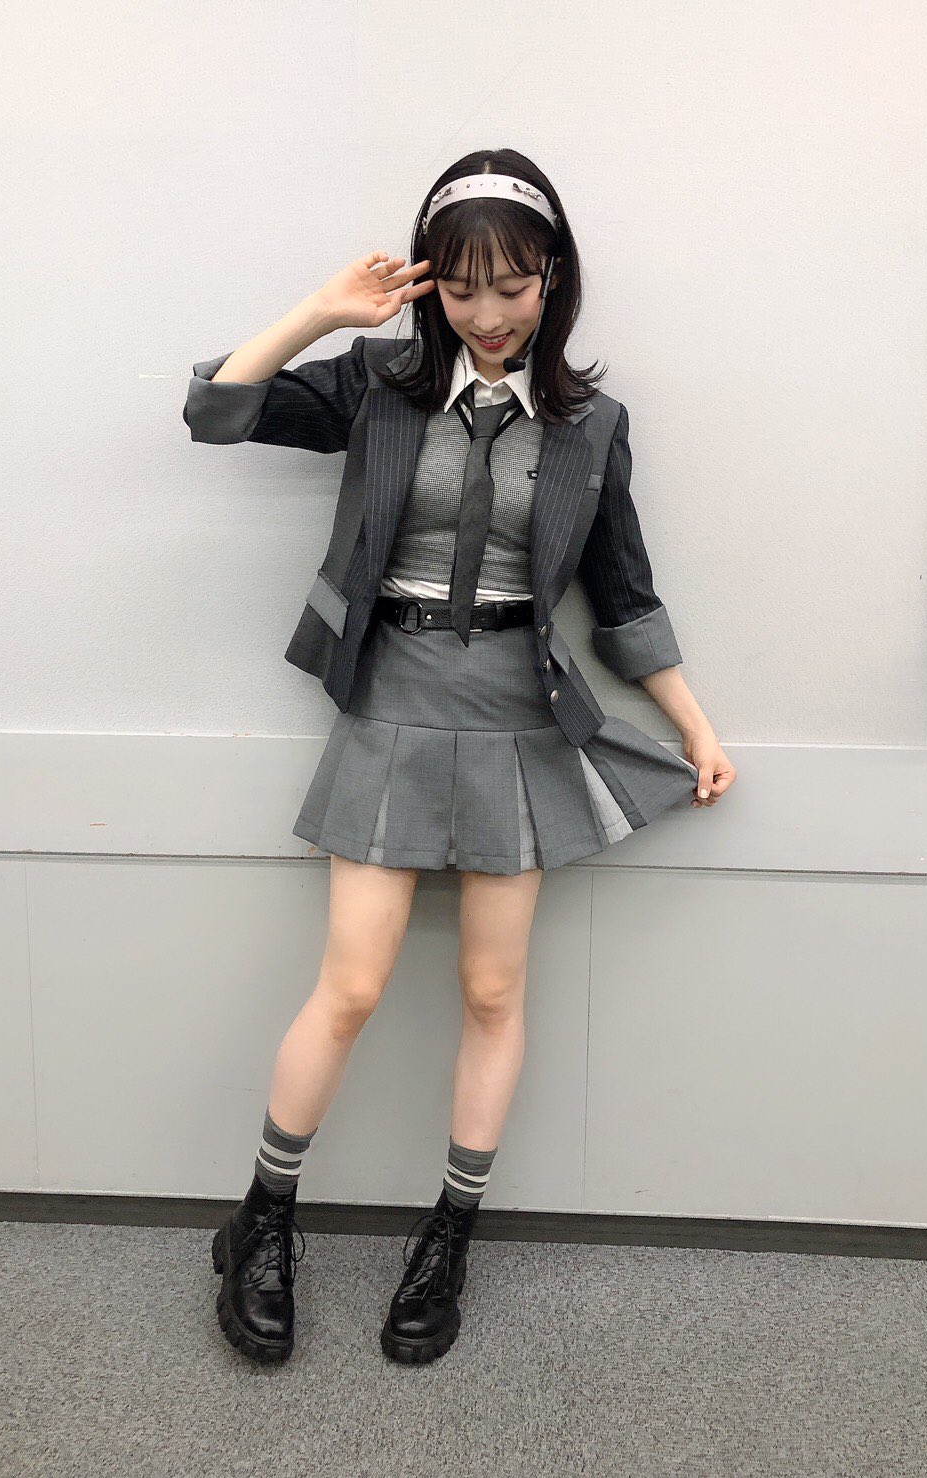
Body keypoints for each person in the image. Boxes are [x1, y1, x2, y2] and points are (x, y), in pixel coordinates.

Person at [184, 148, 737, 1368]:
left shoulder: (592, 426)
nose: (490, 315)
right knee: (352, 986)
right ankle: (261, 1220)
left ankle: (449, 1236)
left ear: (554, 279)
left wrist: (693, 724)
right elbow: (214, 410)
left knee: (492, 991)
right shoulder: (378, 385)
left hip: (516, 712)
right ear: (432, 282)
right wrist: (325, 311)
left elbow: (624, 593)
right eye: (466, 287)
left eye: (515, 287)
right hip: (392, 696)